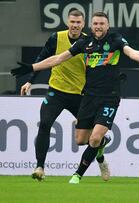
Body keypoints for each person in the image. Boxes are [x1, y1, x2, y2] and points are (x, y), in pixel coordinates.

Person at [11, 12, 139, 184]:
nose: (98, 26)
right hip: (75, 94)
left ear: (106, 26)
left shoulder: (115, 39)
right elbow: (56, 59)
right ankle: (45, 165)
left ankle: (78, 174)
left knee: (93, 138)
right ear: (90, 25)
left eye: (102, 23)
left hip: (97, 95)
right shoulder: (83, 43)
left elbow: (133, 53)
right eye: (96, 24)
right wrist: (31, 68)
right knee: (78, 139)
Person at [20, 9, 110, 182]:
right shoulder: (56, 38)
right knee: (45, 124)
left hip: (80, 94)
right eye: (72, 22)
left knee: (90, 137)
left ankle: (100, 155)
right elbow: (43, 57)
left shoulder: (89, 42)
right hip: (56, 91)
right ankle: (39, 167)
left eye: (78, 23)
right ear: (67, 22)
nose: (75, 25)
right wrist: (30, 80)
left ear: (83, 24)